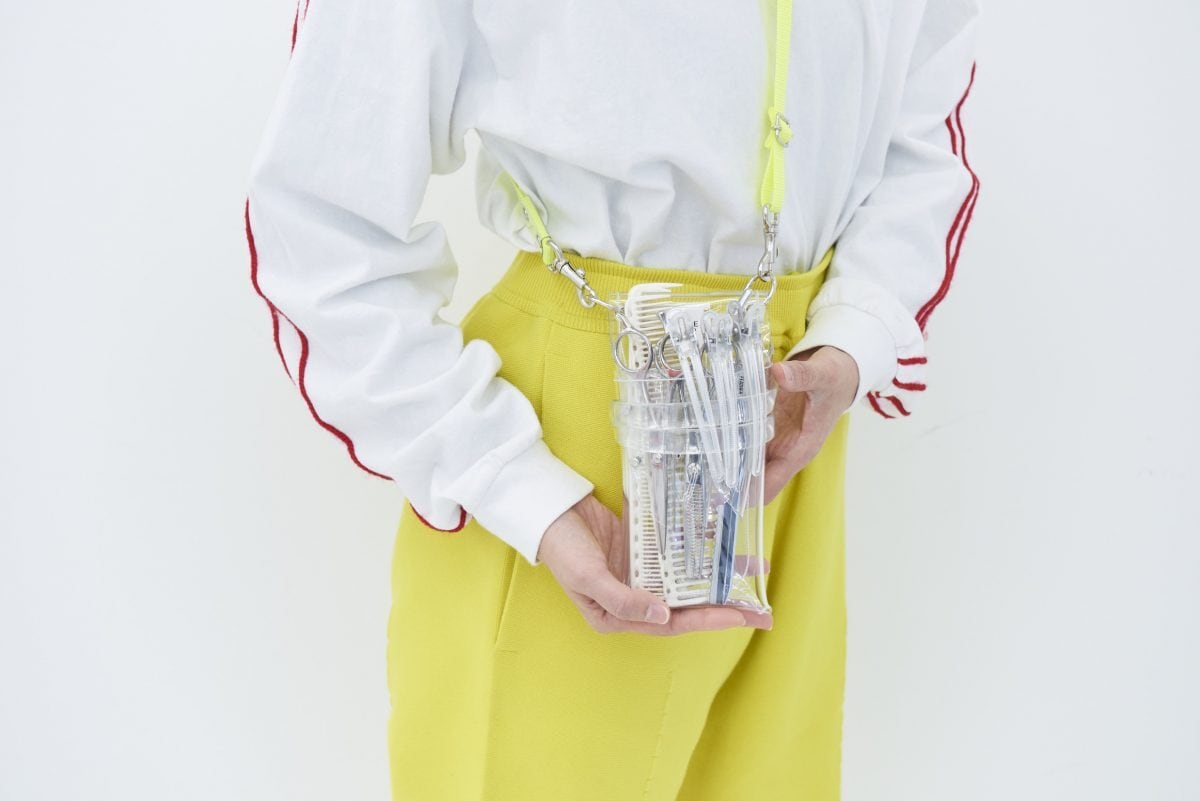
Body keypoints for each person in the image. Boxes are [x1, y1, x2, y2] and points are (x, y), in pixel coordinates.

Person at [243, 0, 980, 798]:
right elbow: (319, 218)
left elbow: (921, 117)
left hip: (794, 418)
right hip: (563, 468)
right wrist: (509, 478)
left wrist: (857, 332)